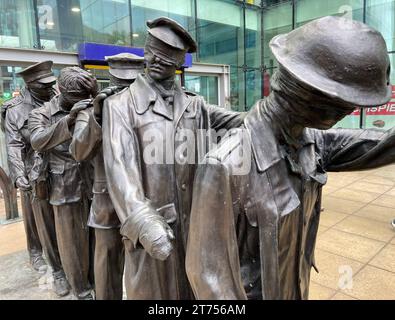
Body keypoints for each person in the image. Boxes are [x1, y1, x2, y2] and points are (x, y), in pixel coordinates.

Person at [185, 16, 395, 300]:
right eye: (347, 103)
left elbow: (380, 145)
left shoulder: (312, 143)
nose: (352, 111)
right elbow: (210, 279)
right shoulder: (226, 164)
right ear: (312, 96)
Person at [102, 17, 243, 299]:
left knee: (195, 290)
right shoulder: (120, 106)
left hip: (195, 226)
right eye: (152, 51)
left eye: (167, 59)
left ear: (178, 63)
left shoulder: (195, 105)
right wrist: (143, 221)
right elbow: (120, 170)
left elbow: (240, 122)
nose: (156, 60)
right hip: (152, 231)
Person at [70, 53, 145, 300]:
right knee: (107, 267)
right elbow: (78, 152)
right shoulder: (93, 109)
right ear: (110, 77)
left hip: (143, 200)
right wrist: (97, 118)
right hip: (107, 201)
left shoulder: (148, 107)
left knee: (146, 268)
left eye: (131, 83)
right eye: (121, 82)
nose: (125, 89)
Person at [29, 66, 97, 300]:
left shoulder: (91, 103)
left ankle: (95, 280)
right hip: (63, 184)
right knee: (71, 243)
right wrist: (69, 120)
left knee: (94, 238)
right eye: (76, 99)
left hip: (92, 182)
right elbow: (37, 141)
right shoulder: (42, 113)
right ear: (61, 90)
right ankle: (81, 289)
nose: (83, 102)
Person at [2, 61, 69, 296]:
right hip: (35, 172)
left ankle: (69, 263)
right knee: (42, 222)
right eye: (43, 86)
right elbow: (13, 145)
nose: (49, 89)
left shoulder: (59, 99)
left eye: (51, 83)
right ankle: (53, 266)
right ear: (30, 85)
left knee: (65, 222)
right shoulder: (15, 110)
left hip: (65, 169)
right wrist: (20, 175)